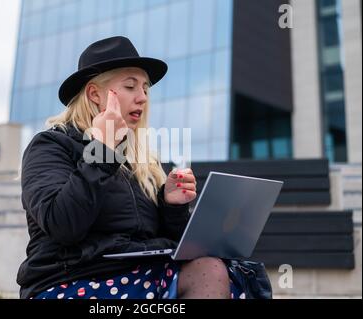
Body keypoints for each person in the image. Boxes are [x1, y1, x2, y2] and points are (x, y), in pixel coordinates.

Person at [17, 36, 243, 299]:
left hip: (139, 274)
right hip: (70, 282)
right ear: (94, 94)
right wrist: (102, 151)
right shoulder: (50, 145)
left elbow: (168, 245)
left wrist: (172, 206)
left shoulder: (143, 160)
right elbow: (64, 225)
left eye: (145, 89)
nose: (142, 98)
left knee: (231, 273)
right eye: (130, 86)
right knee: (209, 272)